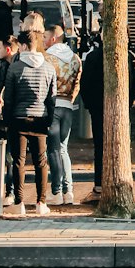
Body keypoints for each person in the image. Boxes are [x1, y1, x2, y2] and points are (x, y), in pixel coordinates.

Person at [78, 30, 135, 200]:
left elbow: (84, 85)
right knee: (120, 145)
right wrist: (129, 103)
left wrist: (91, 105)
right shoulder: (129, 56)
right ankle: (122, 183)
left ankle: (99, 187)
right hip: (121, 110)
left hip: (98, 110)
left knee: (100, 147)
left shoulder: (93, 57)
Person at [2, 28, 57, 217]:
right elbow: (51, 98)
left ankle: (20, 202)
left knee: (19, 162)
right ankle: (41, 203)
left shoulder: (15, 68)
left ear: (24, 46)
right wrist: (48, 119)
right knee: (41, 162)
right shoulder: (49, 68)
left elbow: (8, 98)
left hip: (18, 119)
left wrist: (7, 119)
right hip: (40, 119)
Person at [45, 24, 82, 205]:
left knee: (52, 149)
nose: (43, 41)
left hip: (53, 105)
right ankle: (69, 191)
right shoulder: (75, 59)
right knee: (63, 149)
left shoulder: (48, 58)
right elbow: (77, 83)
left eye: (45, 37)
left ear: (53, 38)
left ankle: (56, 191)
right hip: (68, 105)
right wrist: (71, 100)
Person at [0, 34, 20, 202]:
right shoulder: (6, 65)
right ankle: (7, 191)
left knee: (8, 156)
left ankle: (7, 191)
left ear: (7, 49)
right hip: (4, 116)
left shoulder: (2, 67)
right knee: (8, 156)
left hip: (2, 117)